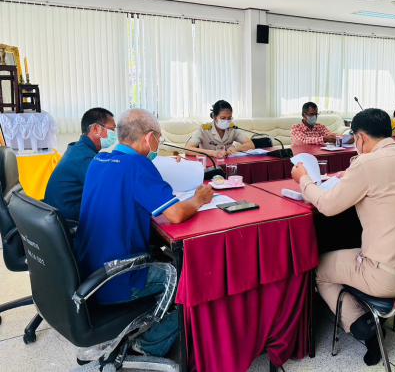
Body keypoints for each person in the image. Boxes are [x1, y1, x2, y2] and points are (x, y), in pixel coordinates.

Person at [291, 108, 395, 366]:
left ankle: (362, 325)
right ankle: (368, 310)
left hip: (388, 277)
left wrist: (304, 180)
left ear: (361, 138)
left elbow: (327, 205)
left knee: (318, 268)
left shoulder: (366, 164)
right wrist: (352, 177)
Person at [74, 109, 214, 357]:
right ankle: (150, 343)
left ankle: (145, 321)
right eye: (159, 138)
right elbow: (176, 214)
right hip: (118, 276)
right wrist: (198, 199)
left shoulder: (99, 160)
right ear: (150, 137)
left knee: (166, 258)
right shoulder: (138, 165)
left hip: (87, 272)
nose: (158, 143)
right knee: (194, 277)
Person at [43, 107, 116, 223]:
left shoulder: (77, 148)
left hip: (55, 215)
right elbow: (109, 191)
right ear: (95, 128)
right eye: (112, 130)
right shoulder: (85, 158)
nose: (115, 134)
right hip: (68, 223)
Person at [186, 100, 255, 156]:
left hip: (228, 163)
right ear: (214, 116)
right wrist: (212, 153)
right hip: (210, 164)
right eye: (223, 118)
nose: (226, 121)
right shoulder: (204, 129)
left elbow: (251, 145)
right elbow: (188, 149)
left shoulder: (232, 129)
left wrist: (236, 148)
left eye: (229, 118)